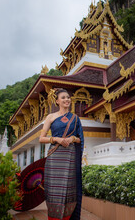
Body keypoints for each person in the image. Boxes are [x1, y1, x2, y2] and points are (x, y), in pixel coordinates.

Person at [39, 88, 84, 220]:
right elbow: (41, 138)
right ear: (57, 101)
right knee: (54, 190)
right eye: (63, 98)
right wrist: (56, 139)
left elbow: (80, 138)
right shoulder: (51, 117)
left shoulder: (75, 118)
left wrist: (72, 139)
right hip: (55, 157)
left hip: (70, 157)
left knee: (70, 189)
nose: (67, 100)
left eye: (68, 97)